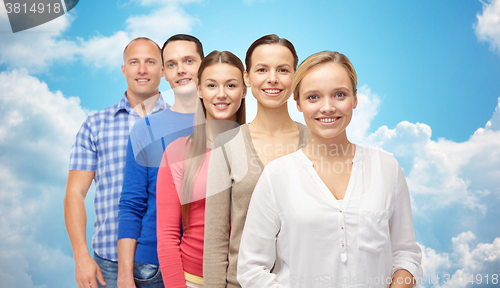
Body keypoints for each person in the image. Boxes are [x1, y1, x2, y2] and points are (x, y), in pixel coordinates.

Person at [237, 51, 423, 288]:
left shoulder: (387, 169)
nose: (327, 107)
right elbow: (251, 269)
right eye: (313, 97)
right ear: (298, 104)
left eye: (339, 95)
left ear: (355, 99)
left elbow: (406, 254)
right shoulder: (276, 176)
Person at [203, 34, 310, 288]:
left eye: (283, 70)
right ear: (247, 78)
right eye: (262, 69)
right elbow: (216, 240)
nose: (272, 78)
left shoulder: (314, 142)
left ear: (295, 76)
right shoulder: (227, 145)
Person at [64, 37, 168, 288]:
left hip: (163, 263)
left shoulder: (181, 123)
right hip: (106, 265)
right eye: (134, 62)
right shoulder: (96, 124)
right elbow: (75, 193)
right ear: (124, 69)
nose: (142, 70)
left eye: (150, 62)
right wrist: (80, 258)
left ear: (163, 71)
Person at [117, 34, 204, 288]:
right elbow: (131, 204)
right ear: (164, 72)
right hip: (151, 267)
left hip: (207, 265)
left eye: (189, 60)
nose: (181, 70)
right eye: (172, 64)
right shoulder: (146, 130)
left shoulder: (223, 125)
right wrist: (124, 275)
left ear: (204, 64)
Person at [157, 50, 247, 288]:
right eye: (211, 85)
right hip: (192, 281)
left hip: (249, 280)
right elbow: (166, 236)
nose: (221, 94)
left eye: (231, 85)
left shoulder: (258, 151)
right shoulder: (177, 153)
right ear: (199, 90)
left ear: (245, 90)